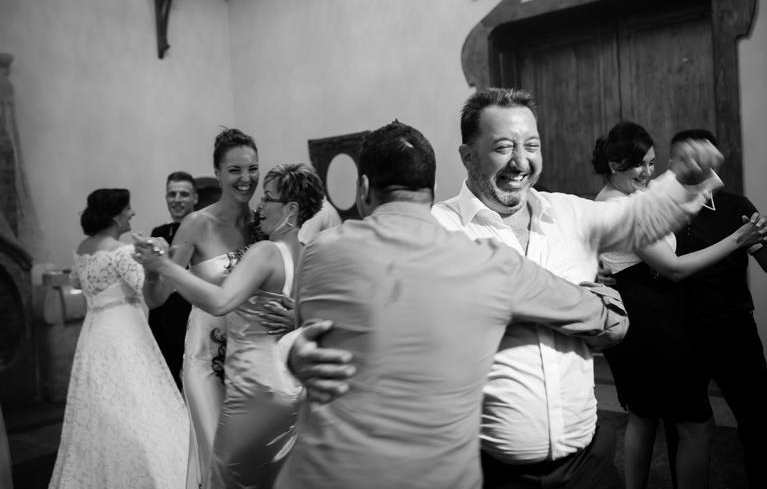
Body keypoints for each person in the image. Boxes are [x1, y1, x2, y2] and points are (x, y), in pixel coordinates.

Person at [286, 88, 733, 489]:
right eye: (504, 147)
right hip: (492, 469)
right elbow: (372, 310)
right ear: (468, 156)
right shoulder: (437, 228)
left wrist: (684, 177)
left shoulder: (571, 214)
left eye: (531, 145)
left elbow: (644, 217)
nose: (521, 161)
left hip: (586, 459)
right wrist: (297, 351)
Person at [274, 121, 631, 489]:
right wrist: (604, 296)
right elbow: (604, 318)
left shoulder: (318, 253)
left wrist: (292, 353)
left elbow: (314, 336)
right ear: (432, 194)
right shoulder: (488, 264)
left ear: (363, 188)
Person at [592, 122, 765, 489]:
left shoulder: (635, 199)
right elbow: (672, 266)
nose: (647, 172)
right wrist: (739, 237)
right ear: (615, 165)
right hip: (656, 326)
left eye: (652, 163)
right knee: (689, 423)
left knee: (646, 416)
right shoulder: (623, 206)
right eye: (639, 164)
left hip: (691, 322)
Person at [137, 163, 324, 489]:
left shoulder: (265, 252)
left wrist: (164, 266)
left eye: (268, 198)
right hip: (293, 388)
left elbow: (220, 301)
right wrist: (299, 318)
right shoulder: (309, 254)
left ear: (291, 210)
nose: (260, 206)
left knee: (226, 476)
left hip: (257, 389)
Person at [142, 128, 263, 489]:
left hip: (251, 358)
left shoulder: (260, 224)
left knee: (251, 461)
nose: (246, 178)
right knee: (218, 458)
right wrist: (153, 270)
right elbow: (157, 298)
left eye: (252, 168)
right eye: (235, 170)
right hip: (206, 359)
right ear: (218, 173)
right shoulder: (196, 225)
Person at [49, 189, 187, 489]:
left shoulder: (83, 247)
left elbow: (76, 280)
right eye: (128, 208)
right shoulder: (122, 252)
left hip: (94, 332)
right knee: (139, 401)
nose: (132, 213)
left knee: (102, 404)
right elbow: (152, 296)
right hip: (125, 333)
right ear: (115, 215)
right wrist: (165, 261)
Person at [669, 129, 767, 489]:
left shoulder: (736, 206)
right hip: (683, 330)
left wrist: (761, 237)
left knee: (758, 418)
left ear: (712, 161)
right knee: (684, 424)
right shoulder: (665, 211)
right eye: (681, 158)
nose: (688, 165)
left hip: (734, 325)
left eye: (697, 157)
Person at [147, 171, 198, 390]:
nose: (177, 199)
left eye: (184, 194)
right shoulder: (158, 232)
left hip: (191, 313)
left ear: (195, 198)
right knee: (165, 382)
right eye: (172, 194)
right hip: (163, 314)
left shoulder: (203, 230)